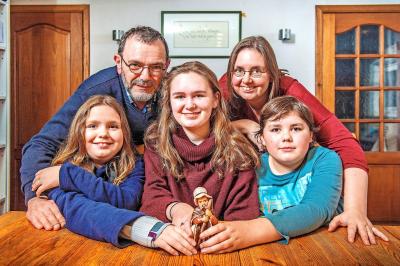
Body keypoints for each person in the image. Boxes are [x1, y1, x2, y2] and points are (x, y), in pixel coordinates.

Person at [218, 36, 387, 245]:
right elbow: (204, 132)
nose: (246, 79)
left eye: (257, 71)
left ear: (272, 74)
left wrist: (355, 210)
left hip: (305, 202)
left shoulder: (291, 91)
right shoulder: (225, 88)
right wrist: (243, 124)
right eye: (239, 71)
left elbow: (345, 144)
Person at [20, 26, 170, 231]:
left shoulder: (175, 91)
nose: (145, 76)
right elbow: (42, 143)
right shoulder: (94, 91)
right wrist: (34, 198)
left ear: (166, 66)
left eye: (156, 67)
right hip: (104, 184)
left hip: (151, 186)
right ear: (119, 63)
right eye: (135, 65)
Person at [30, 95, 196, 254]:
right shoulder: (61, 169)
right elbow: (74, 208)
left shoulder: (135, 164)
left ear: (124, 133)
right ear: (79, 131)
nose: (103, 133)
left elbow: (126, 201)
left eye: (113, 126)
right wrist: (144, 228)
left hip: (128, 251)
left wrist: (72, 177)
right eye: (92, 126)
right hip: (74, 249)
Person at [140, 61, 260, 243]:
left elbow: (244, 214)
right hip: (175, 247)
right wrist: (176, 209)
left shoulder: (239, 150)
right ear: (169, 102)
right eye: (180, 97)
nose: (189, 105)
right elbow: (151, 196)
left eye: (199, 95)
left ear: (215, 99)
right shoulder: (156, 143)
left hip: (223, 248)